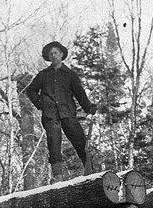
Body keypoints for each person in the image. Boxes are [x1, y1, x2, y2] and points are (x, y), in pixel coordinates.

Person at [23, 41, 99, 180]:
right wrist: (41, 103)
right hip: (50, 116)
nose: (53, 55)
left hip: (68, 113)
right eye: (50, 54)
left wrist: (89, 107)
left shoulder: (70, 75)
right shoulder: (43, 75)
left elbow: (80, 94)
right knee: (54, 143)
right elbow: (31, 90)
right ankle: (58, 176)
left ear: (61, 54)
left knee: (80, 141)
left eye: (55, 52)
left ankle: (90, 171)